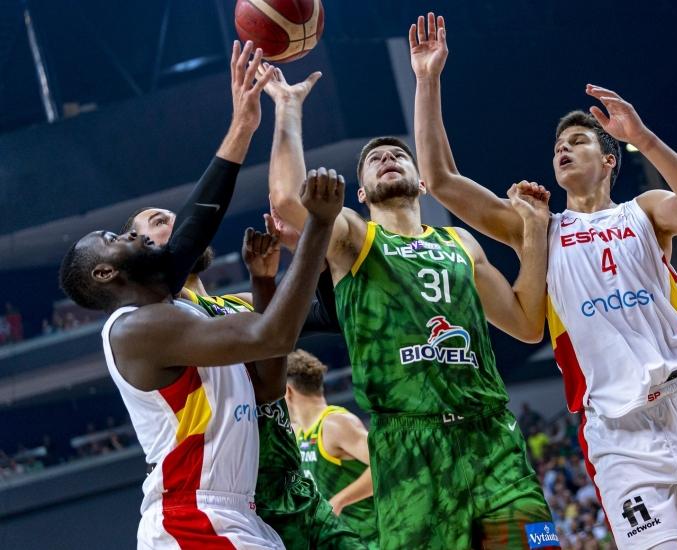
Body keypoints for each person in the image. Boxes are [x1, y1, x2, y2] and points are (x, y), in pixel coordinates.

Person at [410, 13, 677, 550]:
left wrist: (645, 138)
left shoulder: (645, 211)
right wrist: (427, 81)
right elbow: (442, 181)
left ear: (609, 158)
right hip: (616, 431)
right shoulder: (538, 231)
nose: (562, 148)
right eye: (557, 144)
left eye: (578, 141)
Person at [260, 56, 559, 548]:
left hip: (492, 442)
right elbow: (289, 201)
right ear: (361, 192)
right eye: (374, 160)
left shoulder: (462, 243)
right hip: (407, 450)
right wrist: (288, 109)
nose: (387, 158)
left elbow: (528, 324)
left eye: (397, 154)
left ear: (421, 182)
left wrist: (533, 231)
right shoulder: (354, 239)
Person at [125, 211, 364, 549]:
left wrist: (309, 252)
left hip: (297, 488)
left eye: (182, 218)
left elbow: (331, 315)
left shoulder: (235, 304)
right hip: (243, 500)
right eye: (160, 222)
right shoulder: (166, 321)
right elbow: (269, 381)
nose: (182, 224)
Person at [286, 349, 379, 547]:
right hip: (343, 539)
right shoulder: (299, 431)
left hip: (373, 538)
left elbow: (384, 465)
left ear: (287, 391)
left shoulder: (335, 424)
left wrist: (339, 500)